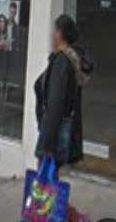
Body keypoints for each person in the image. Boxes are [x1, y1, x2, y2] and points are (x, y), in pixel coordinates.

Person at [34, 14, 92, 169]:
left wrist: (46, 146)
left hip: (54, 133)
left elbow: (56, 103)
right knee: (52, 176)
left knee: (45, 178)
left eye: (54, 30)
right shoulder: (67, 59)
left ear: (59, 34)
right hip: (60, 130)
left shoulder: (62, 62)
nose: (52, 35)